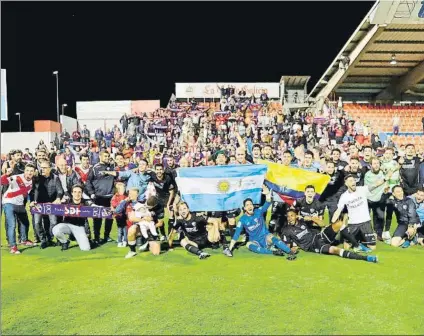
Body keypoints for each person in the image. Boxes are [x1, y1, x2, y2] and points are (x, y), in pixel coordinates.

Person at [281, 209, 378, 263]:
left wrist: (310, 218)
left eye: (292, 215)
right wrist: (292, 249)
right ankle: (366, 258)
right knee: (334, 250)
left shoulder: (302, 221)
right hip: (313, 246)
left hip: (319, 236)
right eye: (288, 216)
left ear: (296, 216)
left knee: (339, 223)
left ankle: (356, 245)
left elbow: (322, 224)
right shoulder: (286, 230)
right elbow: (287, 246)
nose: (290, 218)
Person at [228, 185, 297, 260]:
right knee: (248, 245)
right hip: (255, 241)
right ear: (244, 208)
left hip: (265, 237)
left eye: (251, 204)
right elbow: (236, 235)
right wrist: (230, 248)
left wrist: (267, 194)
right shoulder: (242, 220)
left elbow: (267, 202)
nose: (249, 206)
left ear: (253, 206)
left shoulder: (258, 211)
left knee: (272, 237)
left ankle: (290, 252)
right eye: (247, 205)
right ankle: (273, 252)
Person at [331, 175, 380, 250]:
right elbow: (338, 210)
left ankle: (360, 242)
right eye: (350, 181)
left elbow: (375, 184)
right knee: (346, 247)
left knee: (372, 247)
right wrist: (333, 221)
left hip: (365, 222)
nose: (353, 182)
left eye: (354, 180)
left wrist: (386, 178)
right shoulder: (344, 196)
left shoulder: (362, 189)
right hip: (353, 224)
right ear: (346, 184)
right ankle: (358, 241)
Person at [1, 163, 37, 254]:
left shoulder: (33, 180)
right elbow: (3, 181)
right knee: (12, 225)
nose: (29, 173)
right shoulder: (16, 177)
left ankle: (24, 240)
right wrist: (6, 174)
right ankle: (13, 247)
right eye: (27, 170)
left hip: (19, 204)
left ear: (34, 172)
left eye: (31, 171)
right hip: (8, 202)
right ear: (24, 171)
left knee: (25, 222)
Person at [29, 161, 64, 249]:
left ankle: (49, 238)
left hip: (51, 204)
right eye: (41, 167)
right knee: (37, 223)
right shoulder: (37, 178)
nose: (42, 169)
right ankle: (43, 240)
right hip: (39, 205)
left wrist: (58, 198)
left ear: (49, 168)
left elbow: (60, 190)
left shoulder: (55, 178)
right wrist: (32, 201)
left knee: (53, 222)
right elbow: (32, 191)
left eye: (44, 168)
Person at [85, 150, 116, 244]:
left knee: (109, 218)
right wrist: (91, 193)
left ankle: (107, 236)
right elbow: (88, 181)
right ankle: (97, 237)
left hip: (110, 196)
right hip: (98, 196)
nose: (107, 158)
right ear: (100, 156)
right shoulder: (95, 168)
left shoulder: (111, 167)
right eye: (105, 156)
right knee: (97, 218)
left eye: (108, 156)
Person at [52, 184, 92, 251]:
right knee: (55, 230)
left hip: (79, 227)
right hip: (67, 225)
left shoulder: (85, 202)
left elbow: (93, 206)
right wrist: (57, 202)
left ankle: (79, 238)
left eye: (79, 192)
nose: (77, 194)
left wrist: (99, 207)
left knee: (86, 248)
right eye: (75, 192)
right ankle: (65, 242)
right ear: (72, 193)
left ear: (82, 193)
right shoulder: (67, 201)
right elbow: (53, 207)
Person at [110, 182, 128, 247]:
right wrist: (120, 204)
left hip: (125, 215)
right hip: (118, 216)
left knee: (125, 229)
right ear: (118, 189)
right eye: (122, 189)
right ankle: (120, 241)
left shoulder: (126, 196)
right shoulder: (115, 197)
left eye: (124, 188)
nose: (124, 190)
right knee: (120, 229)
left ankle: (125, 240)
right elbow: (113, 204)